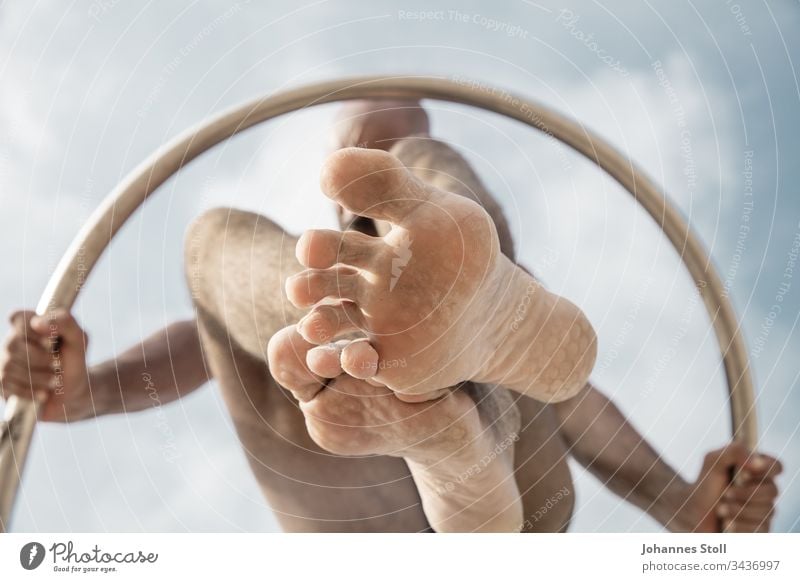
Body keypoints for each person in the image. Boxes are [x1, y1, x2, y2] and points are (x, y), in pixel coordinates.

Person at [0, 100, 781, 532]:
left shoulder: (481, 299)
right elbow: (576, 400)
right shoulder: (315, 282)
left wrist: (681, 504)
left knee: (223, 244)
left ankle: (452, 441)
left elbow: (570, 398)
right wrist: (86, 390)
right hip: (430, 471)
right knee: (234, 259)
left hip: (362, 523)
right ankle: (448, 444)